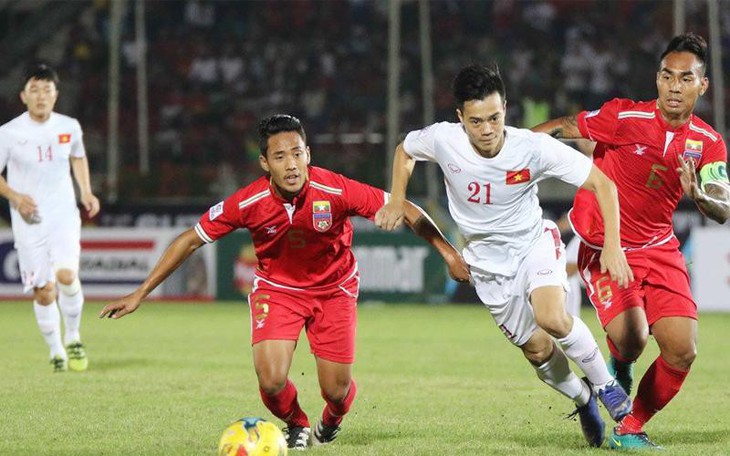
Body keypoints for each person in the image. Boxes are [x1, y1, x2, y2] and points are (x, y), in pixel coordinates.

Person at [99, 114, 469, 449]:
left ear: (308, 153)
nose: (291, 164)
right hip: (278, 291)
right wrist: (141, 293)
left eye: (297, 153)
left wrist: (450, 253)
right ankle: (297, 423)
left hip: (334, 290)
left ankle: (332, 417)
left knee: (336, 390)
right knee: (272, 379)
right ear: (265, 163)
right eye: (280, 156)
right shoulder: (248, 201)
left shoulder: (337, 189)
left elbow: (407, 209)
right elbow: (190, 238)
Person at [376, 64, 634, 448]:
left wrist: (612, 244)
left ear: (506, 109)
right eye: (476, 121)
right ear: (460, 117)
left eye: (495, 118)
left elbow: (602, 184)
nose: (487, 129)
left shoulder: (531, 147)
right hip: (487, 266)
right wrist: (397, 198)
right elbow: (405, 150)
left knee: (552, 316)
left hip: (533, 244)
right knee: (538, 350)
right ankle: (583, 400)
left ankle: (607, 386)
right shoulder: (444, 140)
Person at [532, 32, 730, 450]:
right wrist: (513, 149)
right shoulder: (625, 118)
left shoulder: (709, 144)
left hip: (659, 247)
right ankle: (619, 364)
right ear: (657, 79)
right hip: (606, 245)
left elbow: (722, 208)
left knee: (682, 351)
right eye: (667, 76)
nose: (675, 86)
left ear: (702, 85)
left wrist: (698, 196)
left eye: (685, 78)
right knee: (632, 339)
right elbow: (565, 127)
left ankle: (630, 425)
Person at [0, 64, 100, 373]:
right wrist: (16, 198)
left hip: (62, 215)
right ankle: (56, 350)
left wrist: (86, 191)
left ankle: (73, 337)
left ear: (56, 95)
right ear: (23, 96)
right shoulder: (9, 133)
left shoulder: (69, 126)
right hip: (28, 221)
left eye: (47, 90)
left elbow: (78, 157)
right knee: (44, 289)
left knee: (67, 276)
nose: (41, 96)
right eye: (35, 90)